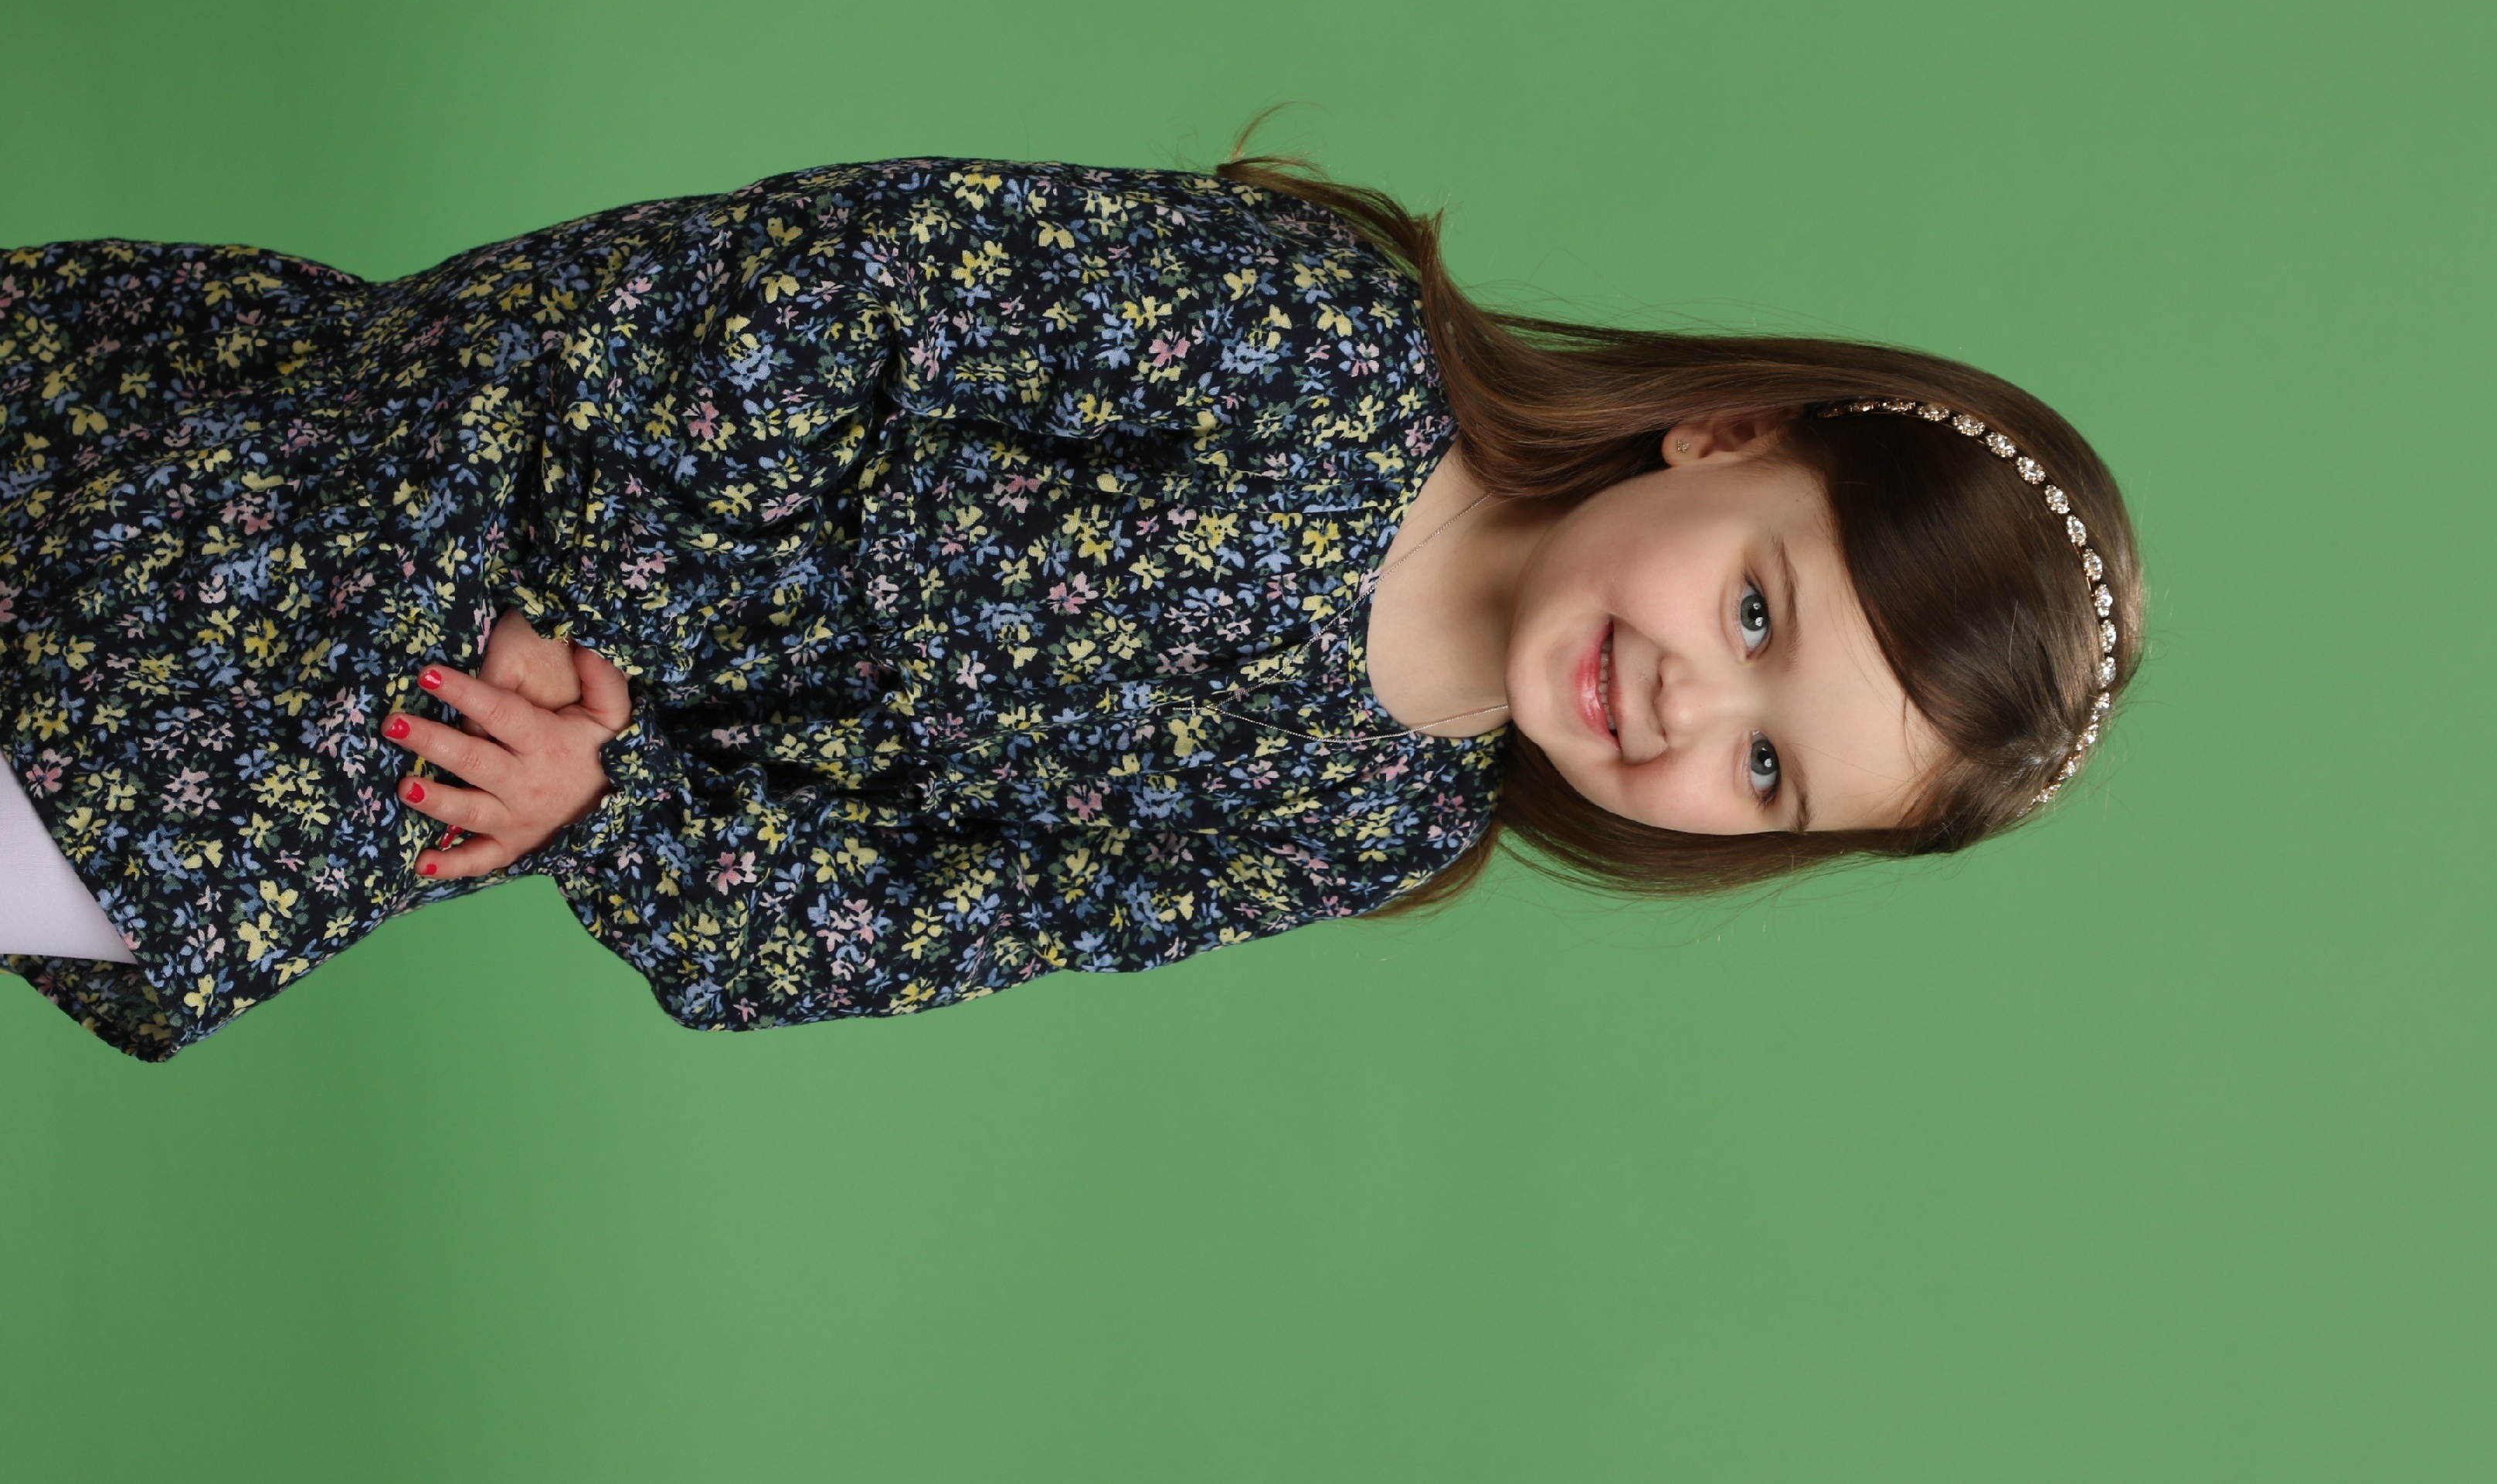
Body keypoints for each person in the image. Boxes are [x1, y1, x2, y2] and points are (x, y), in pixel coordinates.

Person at [0, 142, 2142, 1061]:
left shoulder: (1357, 822)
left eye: (1766, 775)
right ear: (1727, 434)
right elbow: (833, 278)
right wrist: (595, 572)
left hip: (498, 726)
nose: (1687, 711)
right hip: (481, 457)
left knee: (136, 856)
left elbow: (921, 918)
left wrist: (615, 803)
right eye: (1759, 618)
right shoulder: (1313, 345)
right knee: (129, 736)